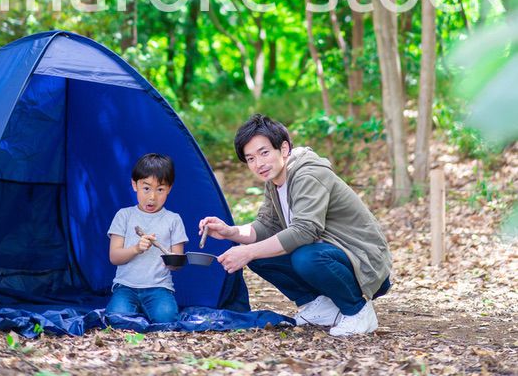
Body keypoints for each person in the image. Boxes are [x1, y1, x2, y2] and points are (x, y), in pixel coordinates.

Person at [199, 114, 392, 337]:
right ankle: (321, 305)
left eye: (264, 153)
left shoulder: (309, 174)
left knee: (305, 257)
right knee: (259, 255)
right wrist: (230, 232)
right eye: (250, 158)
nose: (258, 164)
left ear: (283, 149)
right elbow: (266, 225)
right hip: (331, 257)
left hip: (365, 264)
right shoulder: (275, 181)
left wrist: (247, 251)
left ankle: (357, 311)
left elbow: (305, 231)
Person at [105, 152, 188, 324]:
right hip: (126, 287)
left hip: (159, 288)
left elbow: (176, 265)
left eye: (160, 189)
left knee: (167, 320)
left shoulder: (173, 219)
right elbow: (114, 257)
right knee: (115, 320)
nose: (152, 197)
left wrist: (174, 260)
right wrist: (136, 249)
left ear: (169, 189)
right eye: (146, 188)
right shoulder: (124, 216)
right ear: (134, 185)